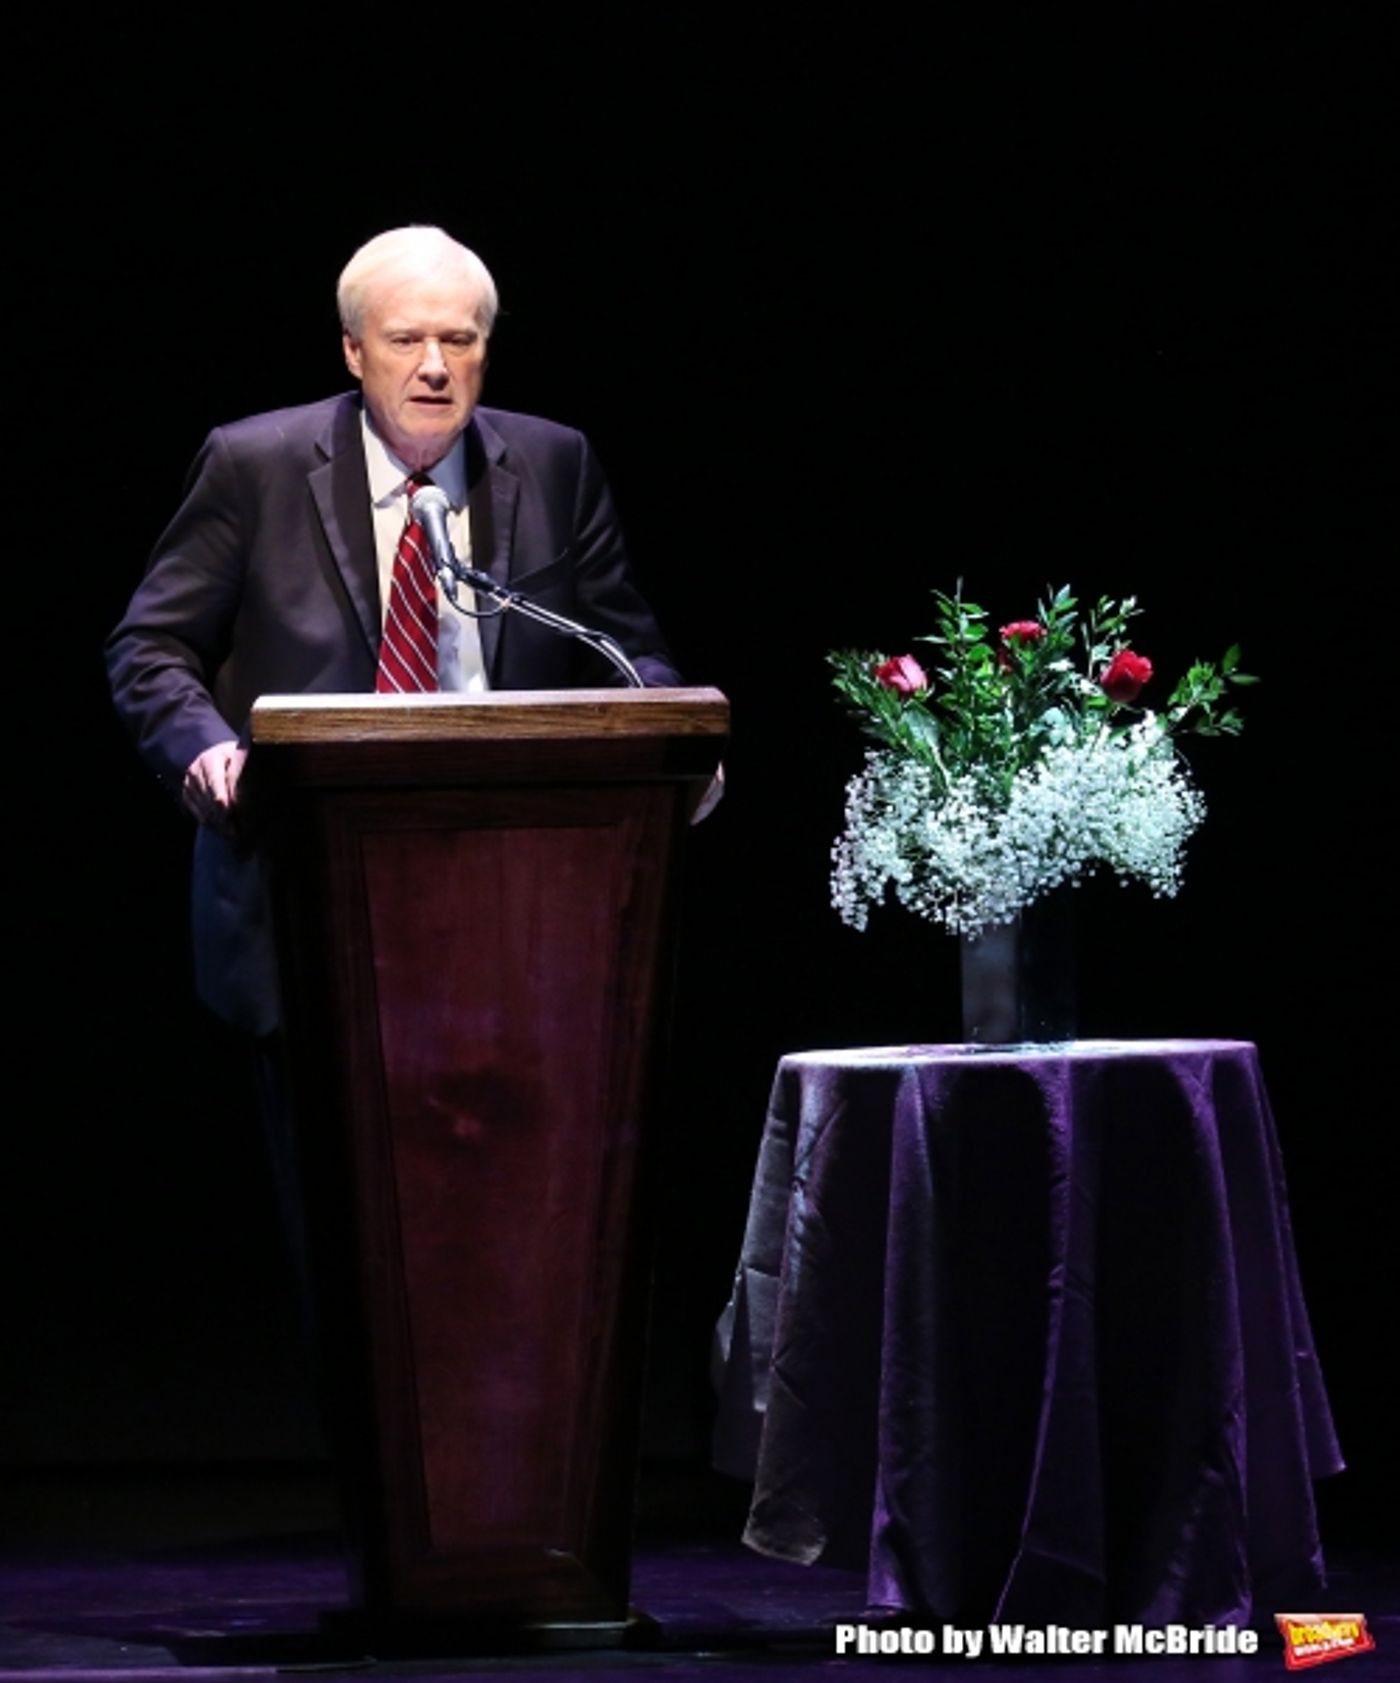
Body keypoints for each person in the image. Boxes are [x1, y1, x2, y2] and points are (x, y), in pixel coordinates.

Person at [107, 225, 688, 1036]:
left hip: (519, 898)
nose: (435, 367)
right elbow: (149, 646)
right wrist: (204, 749)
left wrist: (670, 742)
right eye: (406, 340)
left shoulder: (558, 463)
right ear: (353, 351)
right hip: (305, 890)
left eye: (459, 339)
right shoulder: (252, 465)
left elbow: (629, 656)